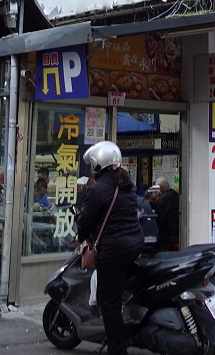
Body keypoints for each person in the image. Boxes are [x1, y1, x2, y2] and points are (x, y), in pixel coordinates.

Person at [77, 141, 144, 355]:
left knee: (109, 303)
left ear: (98, 164)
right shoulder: (127, 185)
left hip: (114, 252)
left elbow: (85, 222)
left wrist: (80, 236)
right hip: (134, 245)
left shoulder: (98, 190)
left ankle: (117, 350)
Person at [154, 177, 180, 250]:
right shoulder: (175, 195)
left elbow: (159, 221)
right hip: (177, 235)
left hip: (169, 238)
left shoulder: (163, 200)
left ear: (160, 190)